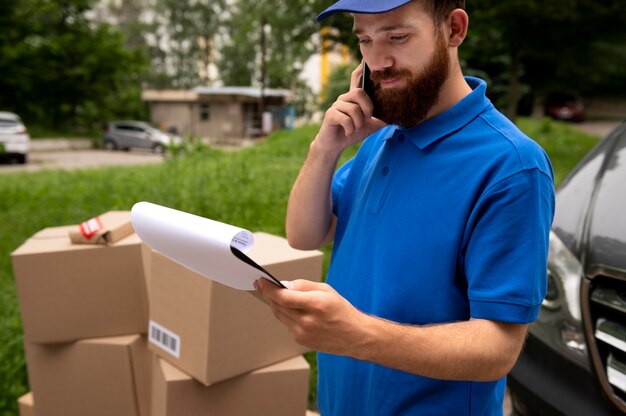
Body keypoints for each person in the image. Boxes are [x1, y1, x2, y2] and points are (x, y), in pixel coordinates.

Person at [254, 0, 555, 414]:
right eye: (365, 39)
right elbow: (305, 234)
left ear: (453, 29)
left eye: (397, 36)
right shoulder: (380, 141)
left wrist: (355, 334)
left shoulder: (511, 165)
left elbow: (498, 348)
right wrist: (325, 148)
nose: (378, 61)